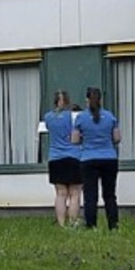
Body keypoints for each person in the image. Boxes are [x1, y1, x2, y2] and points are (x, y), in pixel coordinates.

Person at [73, 87, 121, 230]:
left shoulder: (81, 118)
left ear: (87, 100)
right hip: (109, 158)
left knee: (90, 196)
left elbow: (74, 140)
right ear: (101, 100)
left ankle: (91, 225)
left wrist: (85, 138)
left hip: (88, 158)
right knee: (110, 195)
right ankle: (113, 225)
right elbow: (117, 138)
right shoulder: (110, 116)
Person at [44, 91, 82, 227]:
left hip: (55, 157)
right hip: (73, 156)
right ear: (67, 101)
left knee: (60, 194)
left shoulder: (48, 117)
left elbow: (48, 128)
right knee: (75, 193)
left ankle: (61, 223)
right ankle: (73, 222)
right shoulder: (73, 117)